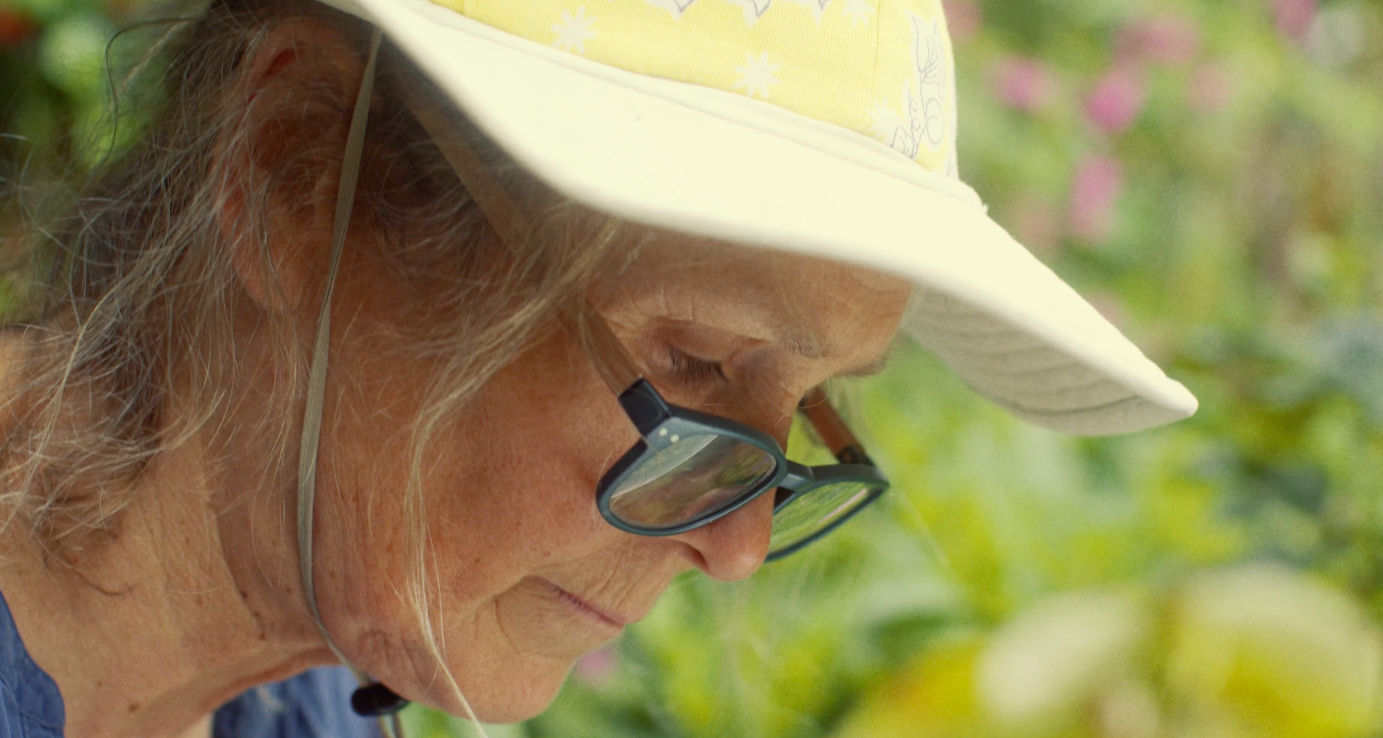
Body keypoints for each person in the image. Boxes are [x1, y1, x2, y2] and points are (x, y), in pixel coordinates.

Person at [0, 0, 1198, 736]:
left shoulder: (293, 689)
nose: (734, 550)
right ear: (297, 179)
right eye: (695, 363)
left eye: (813, 407)